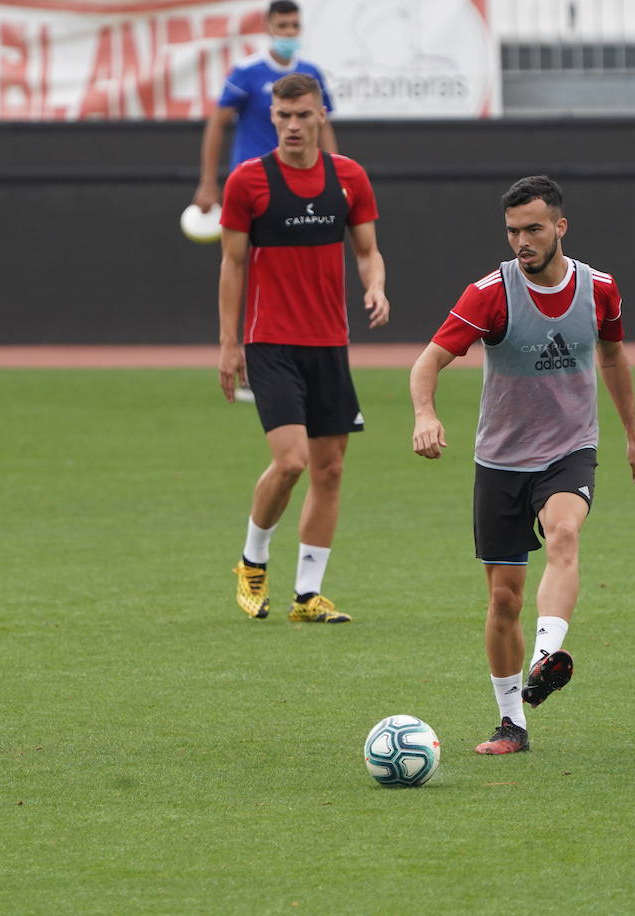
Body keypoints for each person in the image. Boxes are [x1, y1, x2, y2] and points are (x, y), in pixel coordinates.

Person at [408, 176, 635, 754]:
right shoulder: (489, 294)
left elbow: (614, 357)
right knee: (504, 601)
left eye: (534, 229)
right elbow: (427, 362)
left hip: (570, 449)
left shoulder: (600, 289)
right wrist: (425, 413)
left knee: (565, 532)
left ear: (561, 227)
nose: (522, 241)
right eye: (513, 231)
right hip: (500, 460)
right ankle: (512, 722)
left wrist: (634, 436)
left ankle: (548, 654)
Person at [219, 73, 388, 624]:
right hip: (271, 344)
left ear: (321, 116)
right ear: (272, 117)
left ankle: (307, 595)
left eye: (304, 115)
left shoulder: (348, 178)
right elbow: (233, 264)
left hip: (329, 344)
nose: (293, 125)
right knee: (290, 461)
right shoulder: (249, 182)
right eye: (283, 115)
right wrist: (229, 344)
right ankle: (252, 560)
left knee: (330, 470)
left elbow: (367, 250)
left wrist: (375, 284)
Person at [191, 1, 338, 215]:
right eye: (282, 25)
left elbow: (324, 127)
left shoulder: (311, 73)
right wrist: (208, 182)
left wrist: (332, 175)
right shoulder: (246, 72)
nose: (289, 32)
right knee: (252, 245)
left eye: (295, 25)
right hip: (254, 177)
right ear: (268, 27)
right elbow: (216, 123)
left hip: (300, 175)